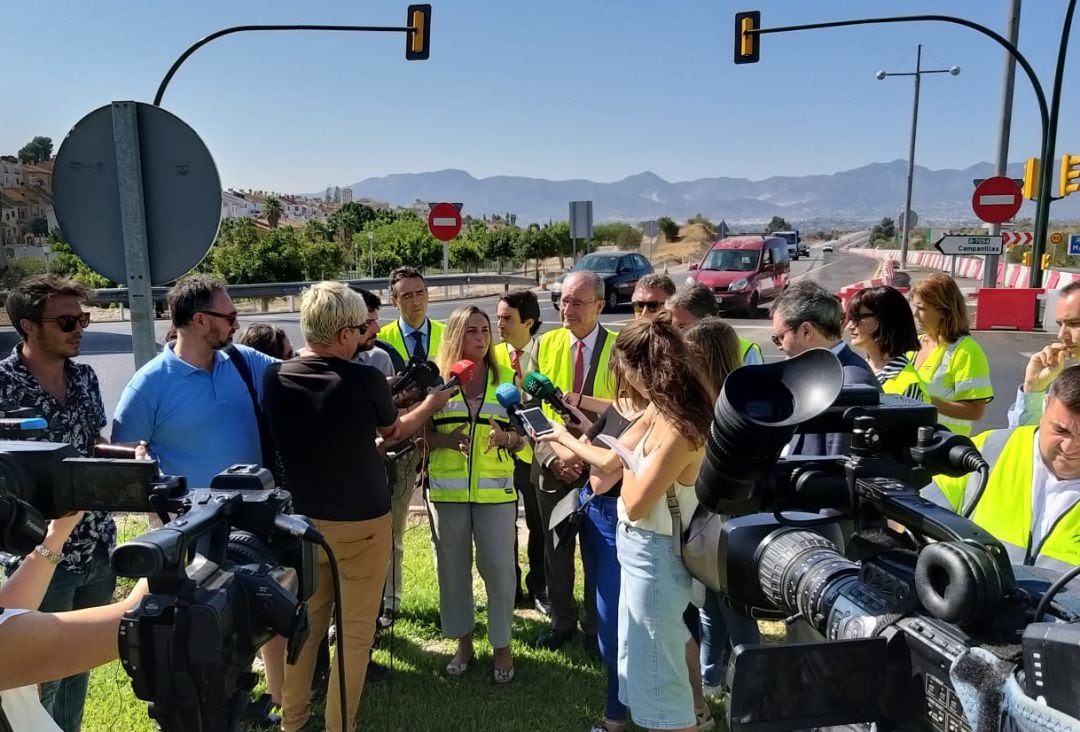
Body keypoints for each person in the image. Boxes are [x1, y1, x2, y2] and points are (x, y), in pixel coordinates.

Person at [261, 281, 453, 732]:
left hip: (304, 524)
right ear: (345, 334)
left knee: (304, 628)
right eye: (362, 329)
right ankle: (339, 726)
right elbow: (393, 431)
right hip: (363, 522)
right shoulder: (365, 379)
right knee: (355, 635)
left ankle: (292, 722)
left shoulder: (275, 377)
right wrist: (432, 401)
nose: (367, 336)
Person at [0, 274, 114, 732]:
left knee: (76, 669)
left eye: (83, 319)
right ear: (28, 327)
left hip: (95, 545)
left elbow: (94, 441)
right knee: (34, 681)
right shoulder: (3, 386)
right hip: (37, 556)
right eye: (68, 321)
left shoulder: (84, 377)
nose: (79, 329)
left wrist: (128, 457)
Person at [610, 315, 715, 732]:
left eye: (626, 371)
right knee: (645, 666)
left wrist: (625, 460)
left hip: (656, 556)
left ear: (642, 368)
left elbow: (634, 501)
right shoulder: (663, 407)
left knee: (661, 681)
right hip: (642, 553)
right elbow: (626, 449)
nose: (626, 383)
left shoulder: (679, 426)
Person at [534, 382, 648, 732]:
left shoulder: (654, 416)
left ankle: (619, 718)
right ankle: (623, 709)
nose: (623, 375)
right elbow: (576, 456)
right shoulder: (617, 408)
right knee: (606, 627)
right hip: (593, 516)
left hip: (620, 519)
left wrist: (563, 437)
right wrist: (542, 435)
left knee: (616, 628)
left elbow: (607, 465)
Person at [425, 305, 522, 683]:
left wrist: (507, 438)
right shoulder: (438, 384)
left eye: (485, 331)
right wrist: (445, 440)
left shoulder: (508, 380)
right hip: (447, 495)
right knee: (452, 570)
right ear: (455, 337)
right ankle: (463, 642)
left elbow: (527, 434)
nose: (481, 338)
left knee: (499, 571)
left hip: (496, 495)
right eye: (471, 332)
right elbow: (419, 433)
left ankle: (502, 645)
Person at [112, 275, 279, 487]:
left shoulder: (244, 360)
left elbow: (296, 372)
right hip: (190, 518)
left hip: (256, 514)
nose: (236, 325)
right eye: (230, 318)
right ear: (200, 320)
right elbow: (123, 459)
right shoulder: (147, 384)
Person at [924, 364, 1080, 575]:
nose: (1069, 447)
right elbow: (921, 515)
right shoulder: (987, 449)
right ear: (1044, 408)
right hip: (968, 603)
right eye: (1060, 430)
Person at [0, 512, 149, 731]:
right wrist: (179, 535)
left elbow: (11, 610)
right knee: (49, 686)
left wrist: (58, 530)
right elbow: (134, 622)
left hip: (89, 545)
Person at [532, 270, 616, 651]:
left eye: (578, 302)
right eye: (563, 300)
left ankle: (597, 628)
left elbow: (626, 412)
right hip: (555, 466)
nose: (568, 308)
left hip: (602, 469)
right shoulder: (543, 345)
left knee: (599, 550)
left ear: (600, 305)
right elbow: (527, 411)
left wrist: (584, 453)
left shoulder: (619, 349)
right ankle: (561, 621)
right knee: (556, 550)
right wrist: (552, 458)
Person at [683, 317, 760, 699]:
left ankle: (754, 689)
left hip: (728, 522)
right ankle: (712, 678)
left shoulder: (728, 409)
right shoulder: (722, 400)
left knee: (736, 610)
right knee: (710, 605)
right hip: (710, 520)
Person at [374, 266, 445, 629]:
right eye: (406, 295)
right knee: (392, 530)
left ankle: (451, 602)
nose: (415, 301)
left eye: (420, 293)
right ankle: (391, 602)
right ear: (393, 300)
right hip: (399, 443)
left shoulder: (448, 334)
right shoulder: (380, 339)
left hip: (445, 443)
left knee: (445, 530)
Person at [771, 280, 878, 456]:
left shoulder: (850, 385)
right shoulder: (822, 374)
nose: (779, 346)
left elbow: (838, 471)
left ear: (806, 331)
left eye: (779, 337)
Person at [493, 288, 550, 615]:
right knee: (503, 524)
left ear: (527, 322)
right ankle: (510, 586)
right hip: (503, 454)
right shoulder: (494, 354)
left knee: (538, 524)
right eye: (498, 317)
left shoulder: (546, 352)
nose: (499, 324)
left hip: (536, 455)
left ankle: (539, 586)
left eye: (506, 318)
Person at [911, 273, 993, 436]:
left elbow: (975, 411)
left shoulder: (967, 351)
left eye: (922, 308)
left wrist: (925, 401)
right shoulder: (913, 345)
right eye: (914, 307)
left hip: (943, 449)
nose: (915, 314)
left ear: (943, 311)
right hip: (911, 446)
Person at [1008, 281, 1080, 428]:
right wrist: (1033, 388)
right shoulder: (1070, 381)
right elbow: (1026, 440)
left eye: (1074, 323)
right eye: (1060, 325)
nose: (1062, 335)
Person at [845, 286, 928, 401]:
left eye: (856, 317)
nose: (850, 326)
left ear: (883, 319)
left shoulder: (906, 382)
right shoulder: (858, 369)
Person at [666, 282, 762, 365]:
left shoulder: (747, 352)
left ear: (708, 321)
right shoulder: (671, 351)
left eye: (682, 327)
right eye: (672, 328)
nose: (675, 334)